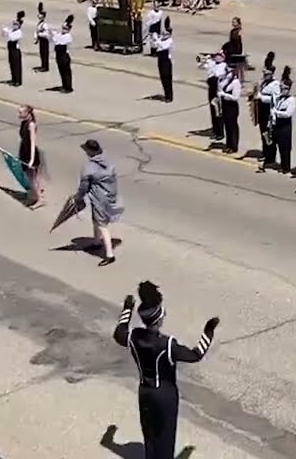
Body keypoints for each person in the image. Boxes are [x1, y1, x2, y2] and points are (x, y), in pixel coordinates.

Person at [112, 281, 219, 459]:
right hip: (165, 396)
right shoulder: (167, 344)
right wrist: (208, 331)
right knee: (165, 438)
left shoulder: (134, 337)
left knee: (150, 435)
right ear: (159, 319)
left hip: (144, 392)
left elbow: (119, 332)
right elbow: (196, 354)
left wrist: (127, 309)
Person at [77, 139, 121, 266]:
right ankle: (96, 242)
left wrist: (79, 197)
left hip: (99, 198)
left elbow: (84, 186)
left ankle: (109, 255)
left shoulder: (89, 167)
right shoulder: (107, 160)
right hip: (110, 195)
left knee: (102, 225)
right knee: (96, 220)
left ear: (89, 152)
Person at [268, 69, 296, 173]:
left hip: (285, 125)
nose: (281, 90)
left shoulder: (291, 100)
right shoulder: (279, 98)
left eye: (283, 88)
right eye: (281, 88)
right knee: (277, 144)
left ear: (288, 89)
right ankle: (277, 162)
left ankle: (286, 167)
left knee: (285, 147)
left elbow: (288, 114)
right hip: (277, 124)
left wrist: (277, 113)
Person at [18, 105, 46, 208]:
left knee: (33, 179)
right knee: (29, 177)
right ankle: (33, 195)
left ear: (27, 113)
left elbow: (33, 143)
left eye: (21, 112)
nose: (18, 114)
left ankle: (39, 200)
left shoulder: (31, 125)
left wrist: (32, 159)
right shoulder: (23, 123)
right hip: (24, 151)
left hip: (30, 154)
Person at [199, 51, 226, 141]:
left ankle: (220, 133)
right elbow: (201, 67)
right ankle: (215, 129)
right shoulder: (212, 63)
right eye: (216, 56)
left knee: (218, 111)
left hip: (218, 89)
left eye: (219, 56)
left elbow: (218, 75)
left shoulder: (224, 66)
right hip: (211, 88)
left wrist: (211, 66)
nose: (216, 57)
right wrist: (205, 61)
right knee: (212, 110)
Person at [218, 66, 243, 154]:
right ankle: (228, 145)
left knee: (232, 126)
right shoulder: (225, 80)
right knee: (227, 125)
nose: (226, 73)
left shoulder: (236, 82)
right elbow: (220, 87)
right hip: (225, 105)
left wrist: (224, 95)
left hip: (232, 106)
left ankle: (234, 146)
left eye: (228, 71)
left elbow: (235, 97)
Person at [0, 11, 25, 87]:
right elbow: (4, 35)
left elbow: (11, 38)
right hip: (11, 49)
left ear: (19, 25)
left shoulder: (19, 32)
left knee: (16, 66)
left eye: (16, 24)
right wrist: (3, 30)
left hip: (15, 51)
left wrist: (7, 31)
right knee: (12, 64)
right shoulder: (12, 30)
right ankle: (13, 78)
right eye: (13, 24)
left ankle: (17, 80)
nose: (14, 25)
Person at [53, 15, 75, 93]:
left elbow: (60, 43)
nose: (63, 30)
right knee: (61, 71)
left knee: (66, 72)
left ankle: (68, 87)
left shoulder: (68, 36)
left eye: (65, 28)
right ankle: (64, 85)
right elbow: (54, 39)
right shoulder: (60, 35)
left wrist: (56, 40)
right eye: (63, 28)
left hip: (64, 55)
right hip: (59, 55)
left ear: (69, 29)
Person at [155, 16, 175, 102]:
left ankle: (169, 97)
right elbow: (155, 45)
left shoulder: (169, 41)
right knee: (163, 78)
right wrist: (155, 38)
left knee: (167, 79)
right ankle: (166, 94)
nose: (163, 35)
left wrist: (157, 40)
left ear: (169, 35)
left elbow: (163, 47)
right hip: (160, 60)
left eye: (165, 34)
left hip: (166, 62)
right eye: (163, 34)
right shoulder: (162, 39)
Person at [225, 17, 246, 81]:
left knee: (237, 66)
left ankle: (239, 79)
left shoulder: (239, 31)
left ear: (238, 23)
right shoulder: (233, 31)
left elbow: (239, 43)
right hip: (232, 50)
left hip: (236, 51)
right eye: (232, 22)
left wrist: (238, 52)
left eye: (234, 22)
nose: (232, 23)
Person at [35, 3, 51, 73]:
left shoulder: (44, 25)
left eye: (40, 15)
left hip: (44, 40)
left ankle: (45, 67)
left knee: (44, 54)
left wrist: (39, 34)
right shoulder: (40, 23)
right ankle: (43, 65)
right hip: (41, 40)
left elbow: (46, 34)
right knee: (42, 53)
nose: (39, 16)